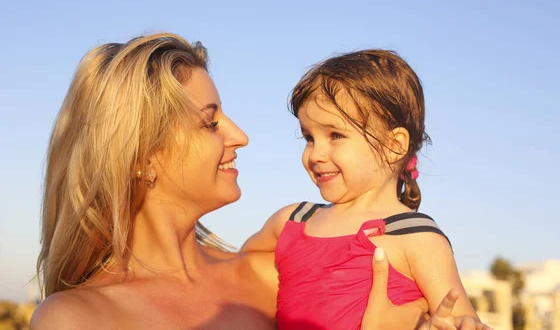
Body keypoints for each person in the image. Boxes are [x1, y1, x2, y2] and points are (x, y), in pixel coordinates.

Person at [30, 33, 467, 329]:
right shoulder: (75, 318)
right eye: (209, 122)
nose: (240, 135)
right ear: (142, 156)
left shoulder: (277, 273)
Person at [243, 50, 482, 329]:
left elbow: (463, 319)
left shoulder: (416, 236)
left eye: (335, 135)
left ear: (394, 146)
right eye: (309, 137)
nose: (315, 153)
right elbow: (234, 269)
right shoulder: (291, 221)